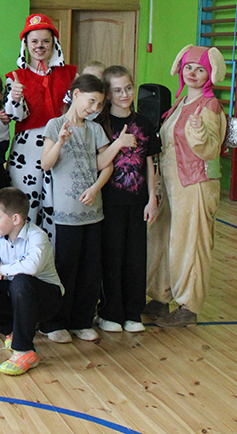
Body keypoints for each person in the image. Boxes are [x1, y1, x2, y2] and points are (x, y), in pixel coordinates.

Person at [40, 75, 132, 343]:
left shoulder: (95, 129)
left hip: (93, 213)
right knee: (65, 268)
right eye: (91, 101)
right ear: (76, 94)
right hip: (66, 214)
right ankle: (54, 323)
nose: (94, 108)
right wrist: (60, 141)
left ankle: (81, 320)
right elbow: (46, 164)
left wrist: (95, 188)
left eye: (99, 104)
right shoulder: (55, 124)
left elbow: (104, 164)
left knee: (90, 269)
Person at [147, 45, 227, 328]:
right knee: (163, 238)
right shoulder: (181, 102)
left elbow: (209, 149)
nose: (192, 73)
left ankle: (188, 307)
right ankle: (160, 297)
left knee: (190, 244)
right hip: (172, 183)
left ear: (211, 73)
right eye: (189, 67)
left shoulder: (210, 106)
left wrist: (198, 131)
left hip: (195, 184)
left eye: (200, 69)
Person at [0, 187, 64, 376]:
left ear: (16, 219)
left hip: (46, 300)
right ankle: (14, 332)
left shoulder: (38, 236)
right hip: (17, 294)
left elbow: (30, 268)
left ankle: (24, 351)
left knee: (21, 281)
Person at [96, 65, 159, 334]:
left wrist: (152, 198)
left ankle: (133, 313)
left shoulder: (143, 123)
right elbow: (98, 163)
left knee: (135, 258)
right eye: (118, 90)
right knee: (112, 257)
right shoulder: (100, 124)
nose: (125, 94)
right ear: (108, 94)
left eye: (129, 88)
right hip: (109, 202)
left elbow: (149, 163)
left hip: (137, 201)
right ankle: (110, 312)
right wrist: (118, 144)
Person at [4, 14, 78, 241]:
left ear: (53, 43)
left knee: (58, 205)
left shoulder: (71, 75)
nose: (39, 46)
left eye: (45, 41)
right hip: (27, 151)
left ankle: (55, 258)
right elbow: (14, 116)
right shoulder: (15, 77)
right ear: (25, 44)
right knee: (25, 204)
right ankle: (21, 253)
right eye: (34, 41)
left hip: (62, 145)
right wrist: (15, 97)